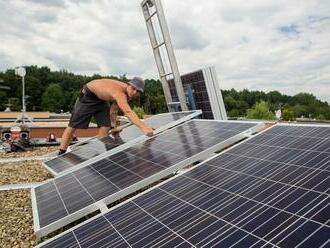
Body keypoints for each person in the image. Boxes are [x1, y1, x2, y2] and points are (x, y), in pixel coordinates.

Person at [58, 77, 154, 155]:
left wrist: (114, 127)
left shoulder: (128, 94)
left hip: (101, 100)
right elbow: (128, 112)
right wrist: (144, 127)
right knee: (73, 126)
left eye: (137, 91)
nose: (134, 92)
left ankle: (104, 143)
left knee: (106, 126)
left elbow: (113, 110)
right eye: (133, 88)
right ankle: (62, 151)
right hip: (88, 96)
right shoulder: (120, 93)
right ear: (128, 85)